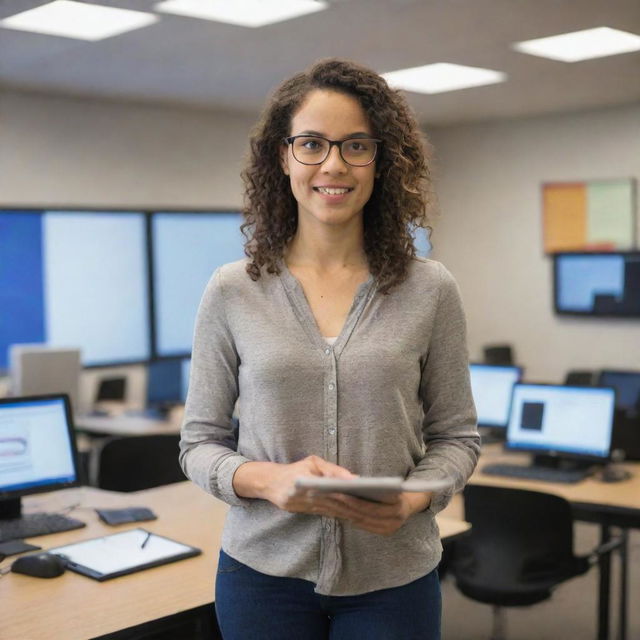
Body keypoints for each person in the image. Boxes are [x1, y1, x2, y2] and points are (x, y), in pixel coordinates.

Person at [180, 58, 479, 640]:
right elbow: (198, 443)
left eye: (356, 146)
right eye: (312, 144)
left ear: (382, 160)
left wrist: (415, 499)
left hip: (394, 581)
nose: (334, 165)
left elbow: (457, 439)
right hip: (261, 579)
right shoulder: (233, 289)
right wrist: (266, 480)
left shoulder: (430, 289)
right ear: (284, 157)